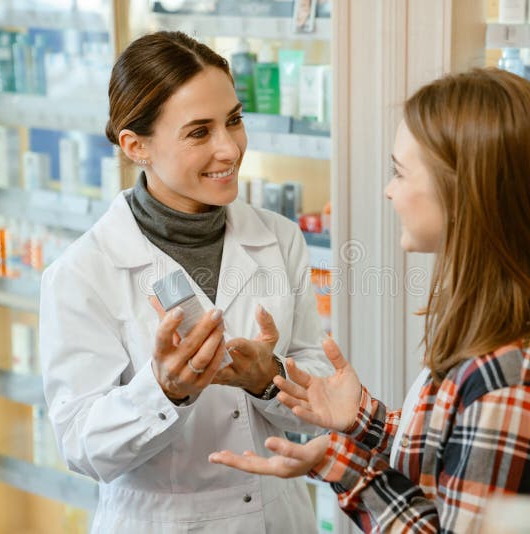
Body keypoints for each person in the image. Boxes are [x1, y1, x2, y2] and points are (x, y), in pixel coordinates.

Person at [210, 68, 530, 533]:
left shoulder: (512, 380)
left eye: (399, 172)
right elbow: (461, 460)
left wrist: (342, 464)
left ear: (462, 191)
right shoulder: (508, 327)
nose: (389, 190)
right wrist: (364, 420)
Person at [39, 31, 332, 534]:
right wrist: (165, 392)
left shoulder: (279, 239)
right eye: (199, 132)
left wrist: (270, 378)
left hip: (279, 517)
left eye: (234, 121)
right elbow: (82, 446)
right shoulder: (83, 272)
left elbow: (321, 401)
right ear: (136, 147)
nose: (229, 149)